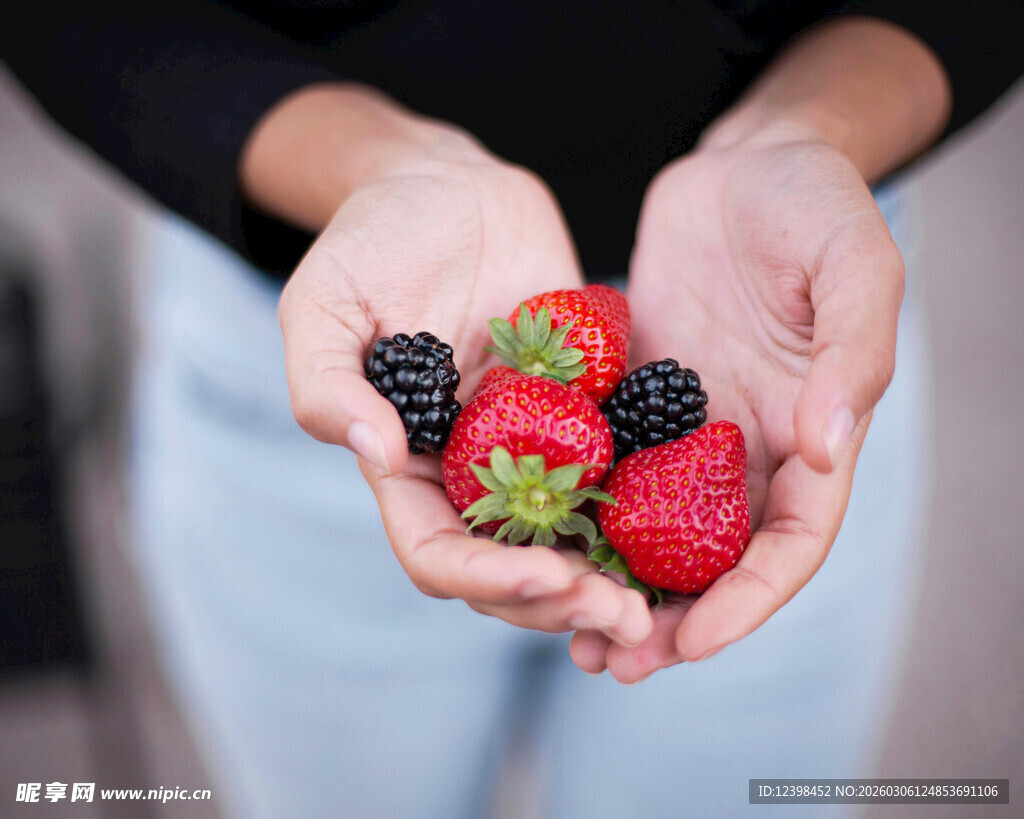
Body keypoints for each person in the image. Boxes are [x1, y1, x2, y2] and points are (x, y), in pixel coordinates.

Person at [3, 2, 1021, 816]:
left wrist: (811, 133)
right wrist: (371, 163)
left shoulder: (686, 424)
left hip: (779, 357)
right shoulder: (518, 410)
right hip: (328, 341)